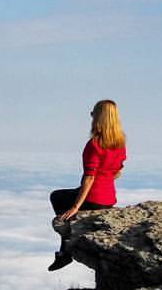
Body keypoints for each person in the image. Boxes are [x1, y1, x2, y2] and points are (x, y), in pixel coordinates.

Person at [48, 100, 127, 271]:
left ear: (99, 118)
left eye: (93, 114)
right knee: (68, 195)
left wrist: (76, 207)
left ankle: (65, 252)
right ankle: (64, 253)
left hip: (93, 197)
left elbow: (89, 178)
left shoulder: (95, 144)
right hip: (109, 199)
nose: (91, 117)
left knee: (57, 197)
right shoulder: (120, 143)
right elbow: (118, 170)